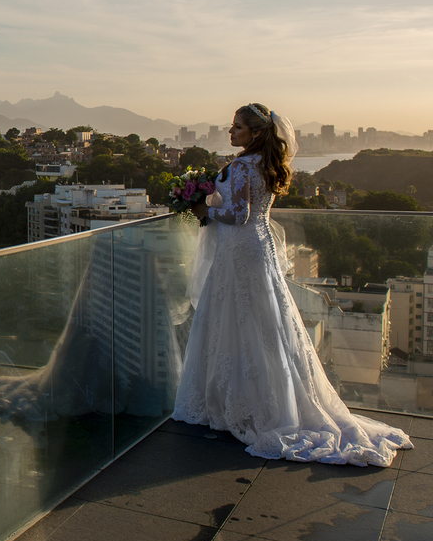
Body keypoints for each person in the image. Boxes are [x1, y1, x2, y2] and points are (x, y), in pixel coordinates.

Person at [172, 102, 412, 466]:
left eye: (237, 127)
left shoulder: (242, 165)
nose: (230, 131)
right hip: (258, 246)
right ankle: (264, 400)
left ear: (255, 132)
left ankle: (239, 403)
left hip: (240, 250)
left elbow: (238, 214)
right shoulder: (264, 164)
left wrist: (204, 209)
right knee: (263, 322)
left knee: (237, 319)